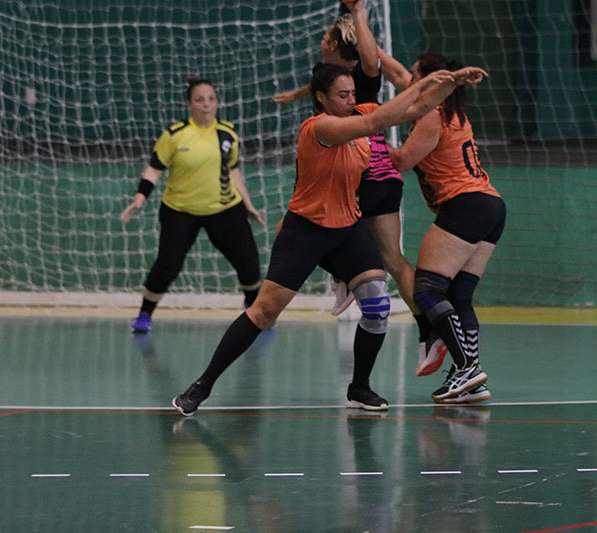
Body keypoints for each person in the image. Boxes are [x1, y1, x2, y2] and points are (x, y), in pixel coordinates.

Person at [172, 62, 488, 416]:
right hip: (307, 230)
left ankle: (359, 388)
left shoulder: (359, 115)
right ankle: (202, 385)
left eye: (353, 93)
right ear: (321, 97)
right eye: (342, 95)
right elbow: (378, 121)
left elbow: (416, 109)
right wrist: (423, 82)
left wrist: (453, 83)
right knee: (264, 311)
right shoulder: (320, 127)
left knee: (377, 306)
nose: (351, 100)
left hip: (349, 227)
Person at [272, 1, 446, 372]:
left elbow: (370, 61)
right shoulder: (332, 82)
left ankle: (345, 277)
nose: (322, 38)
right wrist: (298, 94)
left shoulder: (360, 79)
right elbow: (322, 83)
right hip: (385, 178)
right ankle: (429, 331)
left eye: (327, 35)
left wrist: (361, 16)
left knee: (295, 229)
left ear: (335, 44)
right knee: (393, 259)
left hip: (362, 177)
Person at [389, 53, 506, 404]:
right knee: (459, 297)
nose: (411, 81)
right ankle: (472, 379)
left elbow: (403, 161)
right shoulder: (453, 111)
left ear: (434, 81)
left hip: (465, 205)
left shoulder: (432, 114)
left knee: (427, 290)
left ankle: (466, 366)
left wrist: (366, 138)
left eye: (416, 75)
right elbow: (398, 77)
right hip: (491, 205)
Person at [120, 78, 264, 333]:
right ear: (190, 104)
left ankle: (253, 309)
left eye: (211, 99)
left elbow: (232, 170)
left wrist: (248, 203)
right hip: (180, 211)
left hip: (224, 209)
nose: (206, 104)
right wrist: (140, 197)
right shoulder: (175, 135)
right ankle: (144, 315)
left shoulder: (227, 133)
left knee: (249, 264)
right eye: (199, 100)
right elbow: (154, 170)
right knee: (167, 266)